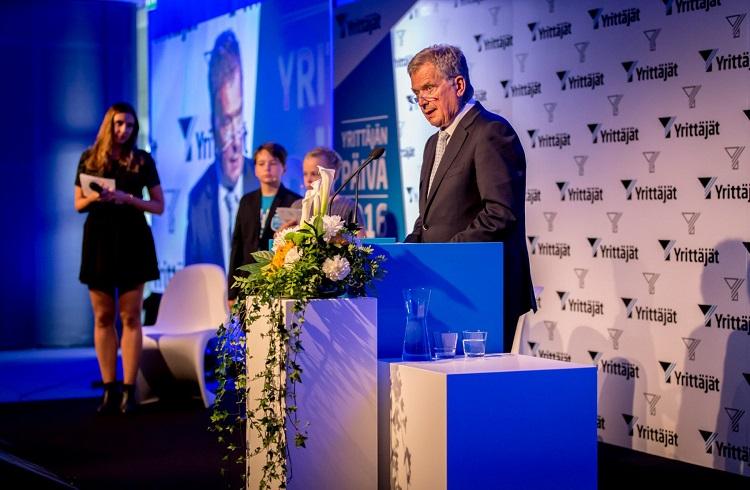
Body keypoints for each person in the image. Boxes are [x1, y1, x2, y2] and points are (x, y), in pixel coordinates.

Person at [404, 44, 536, 352]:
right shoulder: (433, 143)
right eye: (416, 93)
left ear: (459, 85)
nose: (422, 101)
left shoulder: (491, 132)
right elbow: (429, 219)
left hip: (481, 290)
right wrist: (406, 254)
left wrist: (445, 255)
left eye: (429, 88)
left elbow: (500, 213)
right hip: (446, 290)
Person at [74, 102, 164, 414]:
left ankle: (129, 389)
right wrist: (97, 195)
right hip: (99, 239)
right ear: (109, 125)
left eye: (130, 125)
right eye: (119, 124)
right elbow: (77, 203)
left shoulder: (142, 160)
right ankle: (108, 388)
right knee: (102, 316)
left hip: (133, 239)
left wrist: (128, 198)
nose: (124, 130)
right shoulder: (89, 158)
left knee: (130, 316)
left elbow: (158, 206)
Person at [185, 30, 259, 272]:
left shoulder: (264, 184)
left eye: (239, 118)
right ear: (212, 124)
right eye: (227, 122)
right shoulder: (198, 198)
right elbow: (192, 274)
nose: (236, 143)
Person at [228, 142, 301, 302]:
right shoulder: (246, 201)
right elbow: (237, 246)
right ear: (255, 168)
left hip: (278, 279)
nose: (267, 168)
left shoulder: (295, 201)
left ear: (284, 167)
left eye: (273, 163)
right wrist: (231, 292)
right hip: (246, 279)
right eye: (261, 163)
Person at [289, 147, 366, 234]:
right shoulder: (297, 206)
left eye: (314, 174)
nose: (308, 179)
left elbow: (361, 239)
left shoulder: (348, 207)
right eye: (305, 174)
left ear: (334, 174)